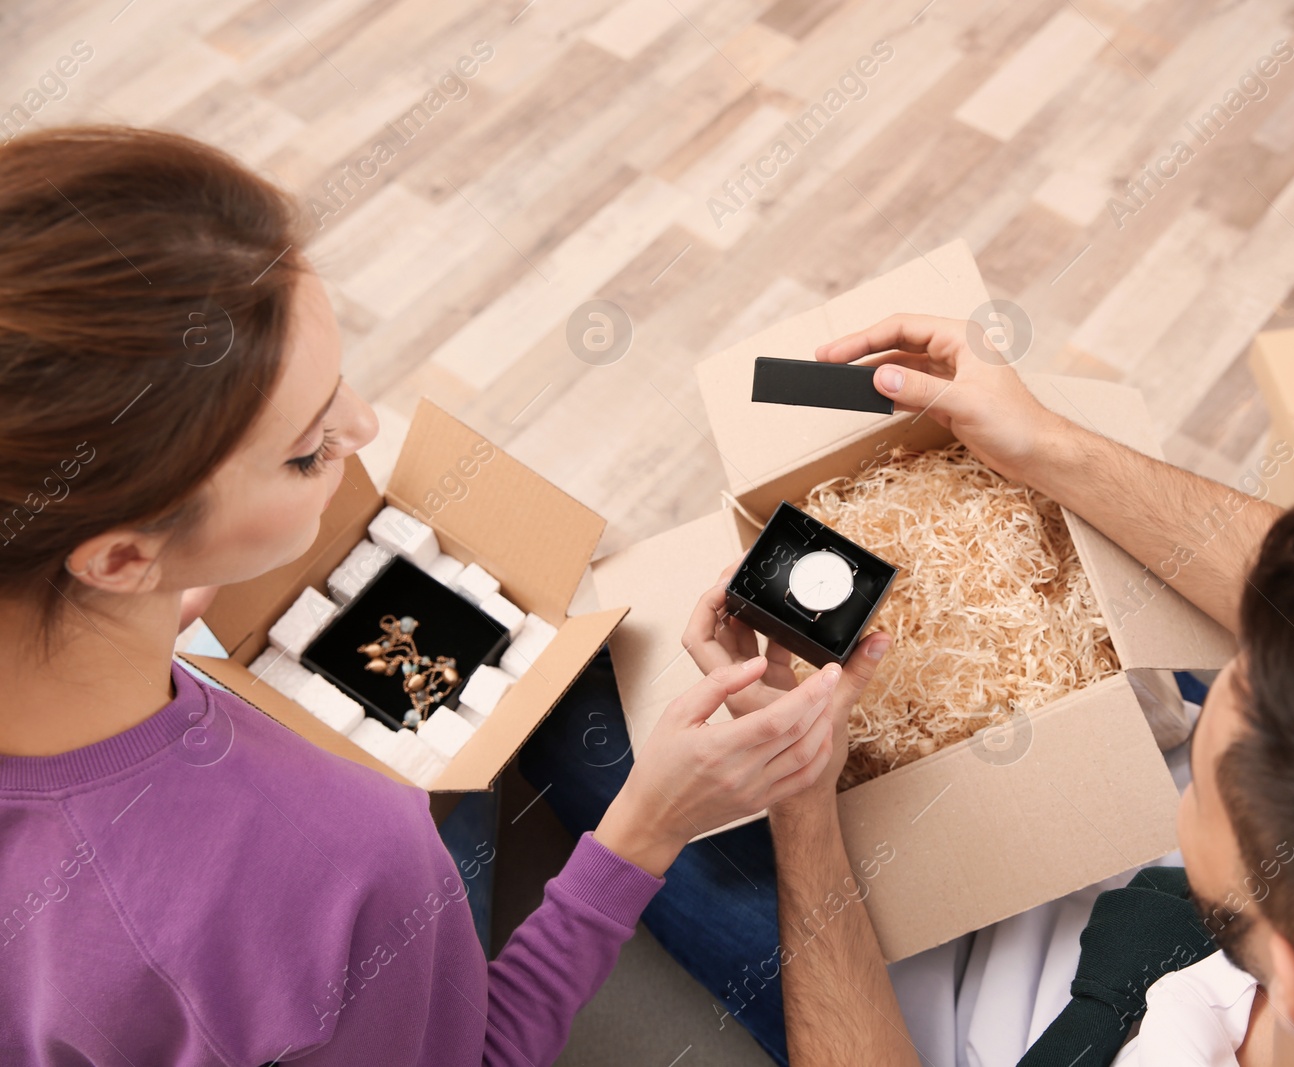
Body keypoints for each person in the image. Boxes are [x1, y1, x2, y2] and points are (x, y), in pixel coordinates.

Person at [523, 314, 1294, 1067]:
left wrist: (806, 800)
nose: (1243, 650)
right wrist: (1051, 445)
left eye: (1212, 779)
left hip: (962, 1004)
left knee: (581, 697)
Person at [0, 125, 845, 1066]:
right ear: (118, 560)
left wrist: (153, 622)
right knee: (592, 723)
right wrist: (648, 827)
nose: (363, 427)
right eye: (306, 449)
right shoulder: (351, 851)